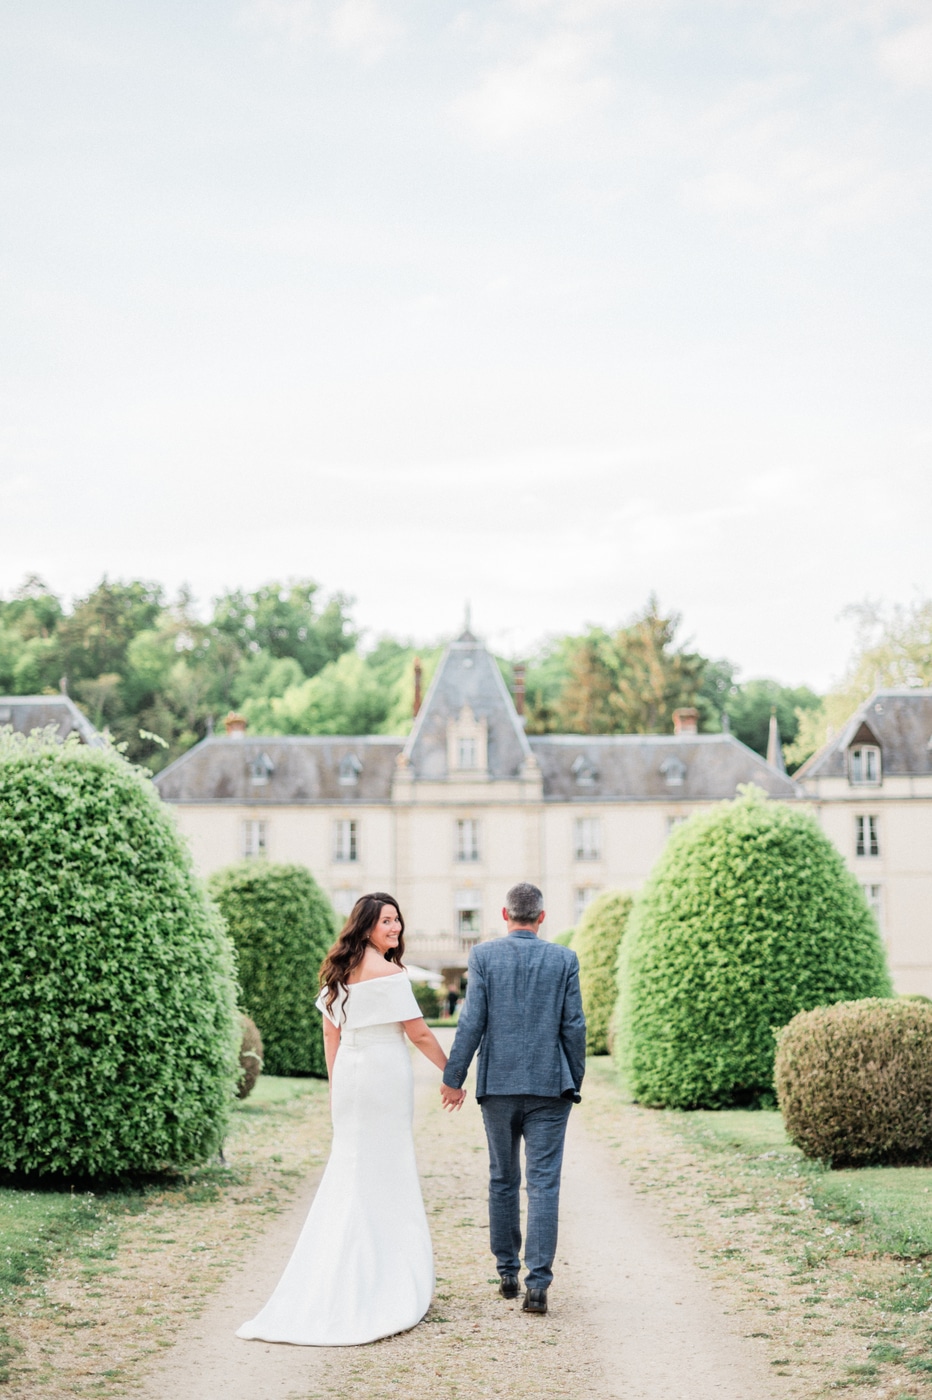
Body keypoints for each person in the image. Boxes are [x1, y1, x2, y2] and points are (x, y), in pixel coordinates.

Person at [237, 892, 459, 1347]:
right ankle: (383, 1272)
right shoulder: (392, 973)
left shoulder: (339, 972)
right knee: (387, 1166)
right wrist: (452, 1073)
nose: (394, 928)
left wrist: (337, 1084)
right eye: (385, 921)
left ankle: (338, 1267)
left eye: (397, 920)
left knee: (352, 1167)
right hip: (382, 1074)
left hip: (352, 1077)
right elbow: (416, 1032)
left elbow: (329, 1032)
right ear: (366, 926)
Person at [440, 881, 586, 1316]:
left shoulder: (484, 956)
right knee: (543, 1185)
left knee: (502, 1178)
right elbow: (574, 1026)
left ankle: (507, 1271)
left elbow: (471, 1022)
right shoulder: (564, 958)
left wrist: (454, 1077)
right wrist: (572, 1076)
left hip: (498, 1085)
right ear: (542, 917)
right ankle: (537, 1284)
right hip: (550, 1086)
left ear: (505, 916)